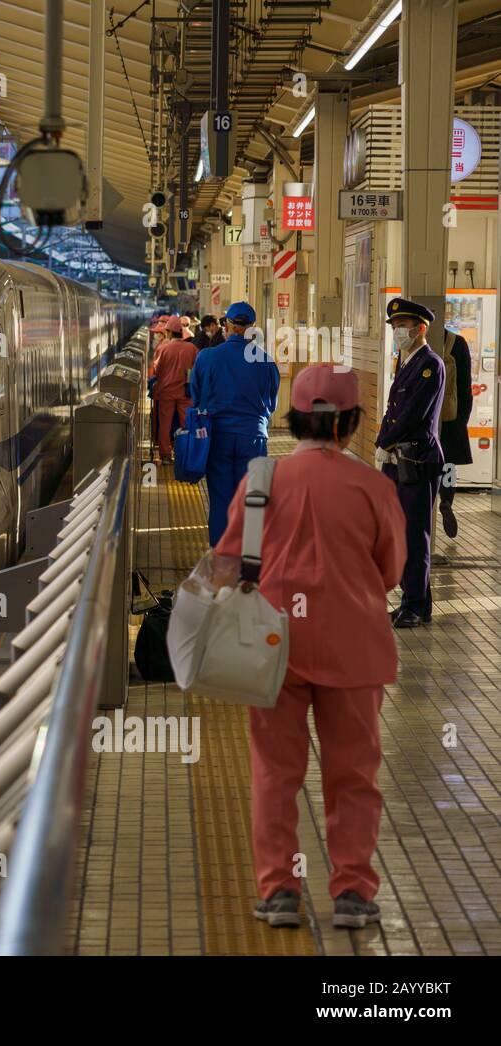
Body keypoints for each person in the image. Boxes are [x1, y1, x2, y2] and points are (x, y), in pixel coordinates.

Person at [216, 364, 406, 931]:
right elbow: (392, 570)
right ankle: (352, 892)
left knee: (276, 773)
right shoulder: (374, 486)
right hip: (355, 650)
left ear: (294, 419)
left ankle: (278, 892)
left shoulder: (260, 481)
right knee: (354, 775)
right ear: (350, 423)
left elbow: (228, 561)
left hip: (272, 648)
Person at [376, 297, 445, 628]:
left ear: (421, 329)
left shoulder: (430, 364)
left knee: (415, 535)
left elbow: (413, 412)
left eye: (402, 326)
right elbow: (392, 411)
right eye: (394, 327)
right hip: (398, 458)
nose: (397, 332)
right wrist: (383, 443)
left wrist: (383, 442)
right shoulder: (405, 361)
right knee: (400, 533)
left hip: (416, 459)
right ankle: (413, 601)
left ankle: (415, 605)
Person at [190, 300, 280, 545]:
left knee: (220, 500)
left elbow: (196, 398)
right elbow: (272, 406)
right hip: (254, 439)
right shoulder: (266, 362)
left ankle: (221, 560)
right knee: (251, 501)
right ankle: (248, 562)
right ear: (252, 328)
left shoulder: (207, 358)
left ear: (226, 326)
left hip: (217, 438)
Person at [438, 329, 474, 540]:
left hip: (425, 420)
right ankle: (446, 500)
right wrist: (461, 421)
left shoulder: (416, 342)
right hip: (451, 419)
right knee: (449, 465)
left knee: (426, 466)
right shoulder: (458, 343)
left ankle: (428, 501)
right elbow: (465, 387)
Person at [152, 315, 197, 463]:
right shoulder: (191, 348)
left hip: (166, 392)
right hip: (186, 392)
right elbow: (197, 369)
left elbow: (157, 371)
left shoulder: (163, 348)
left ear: (170, 332)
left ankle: (165, 456)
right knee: (187, 423)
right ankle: (186, 453)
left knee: (165, 424)